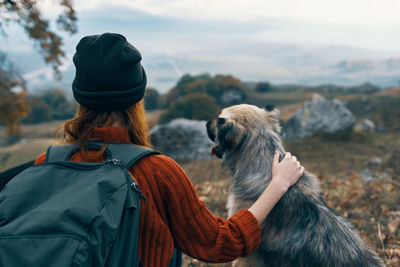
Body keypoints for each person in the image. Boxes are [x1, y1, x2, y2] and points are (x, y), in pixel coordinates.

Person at [34, 33, 304, 267]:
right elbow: (221, 243)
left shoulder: (45, 163)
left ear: (80, 97)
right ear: (137, 99)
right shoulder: (157, 171)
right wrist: (277, 184)